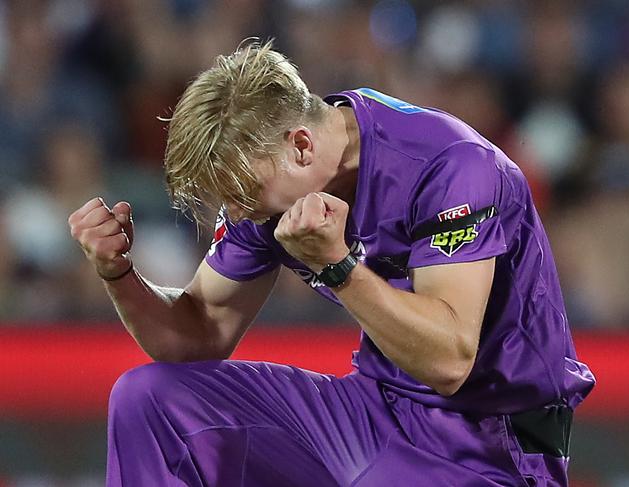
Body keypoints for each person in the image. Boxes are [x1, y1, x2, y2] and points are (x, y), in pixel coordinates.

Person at [68, 41, 595, 486]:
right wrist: (120, 274)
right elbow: (197, 337)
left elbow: (449, 362)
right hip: (375, 412)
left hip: (492, 445)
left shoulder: (452, 166)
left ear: (300, 146)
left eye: (245, 194)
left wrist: (336, 266)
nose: (238, 214)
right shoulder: (271, 191)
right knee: (149, 399)